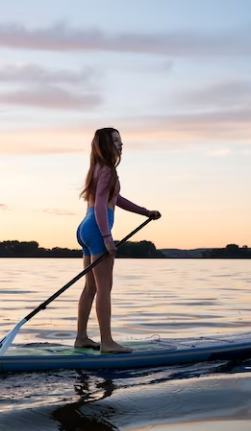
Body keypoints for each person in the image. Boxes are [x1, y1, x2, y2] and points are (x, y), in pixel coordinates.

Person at [75, 127, 161, 354]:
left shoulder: (96, 169)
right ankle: (107, 342)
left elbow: (116, 198)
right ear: (104, 145)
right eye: (115, 141)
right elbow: (103, 204)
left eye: (120, 140)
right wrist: (106, 237)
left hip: (85, 228)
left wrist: (145, 211)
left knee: (90, 287)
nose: (120, 144)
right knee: (104, 288)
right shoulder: (108, 171)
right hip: (96, 229)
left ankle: (82, 338)